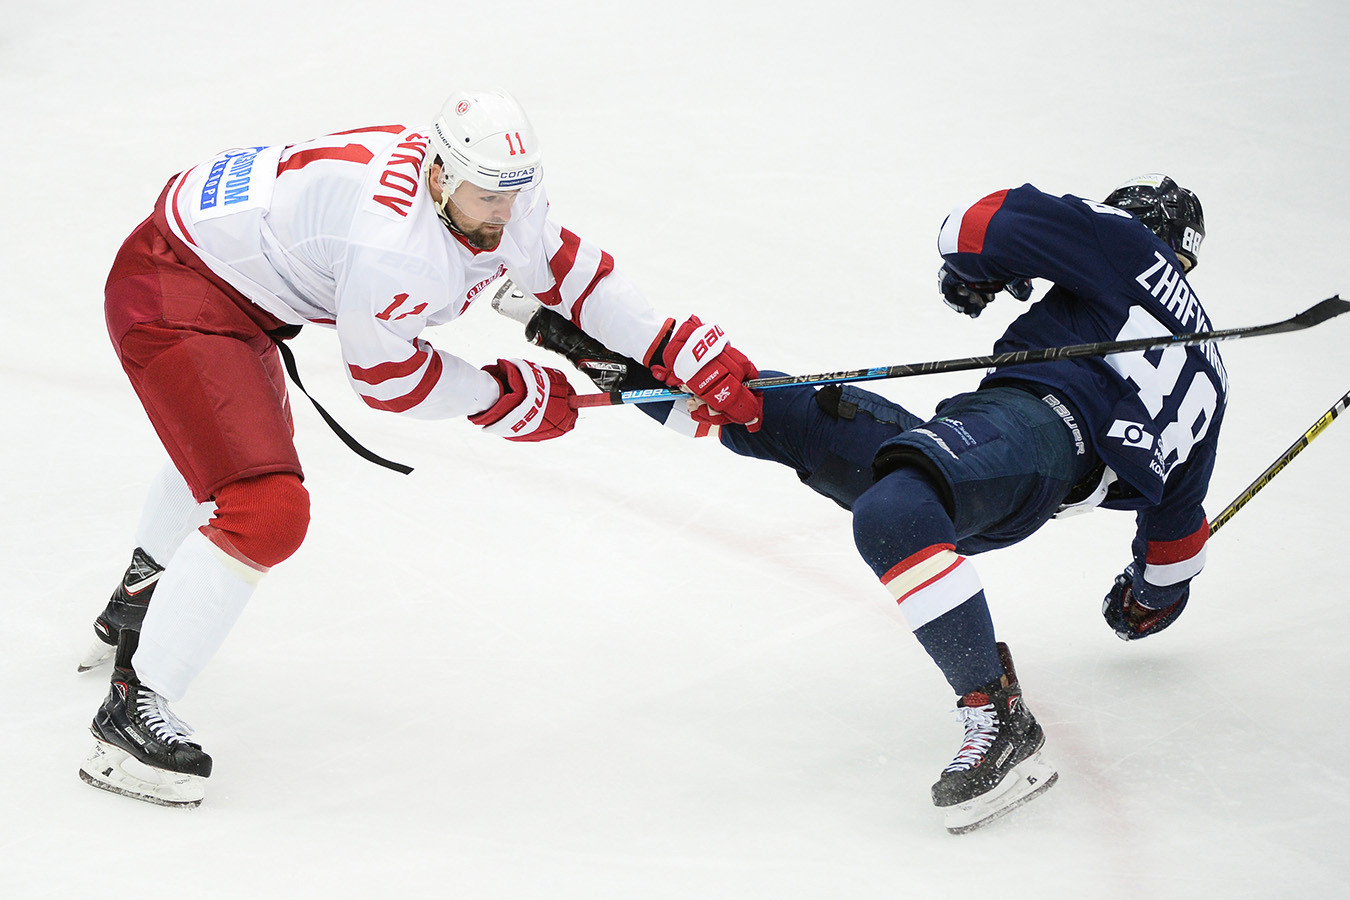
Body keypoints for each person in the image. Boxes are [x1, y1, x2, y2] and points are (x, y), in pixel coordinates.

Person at [79, 88, 763, 807]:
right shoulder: (392, 244)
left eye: (515, 194)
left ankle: (140, 599)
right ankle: (129, 713)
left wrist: (669, 344)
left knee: (233, 448)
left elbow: (570, 273)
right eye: (487, 198)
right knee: (267, 508)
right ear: (439, 175)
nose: (504, 215)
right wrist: (499, 396)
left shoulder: (487, 189)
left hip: (224, 271)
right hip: (173, 287)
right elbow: (386, 377)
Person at [496, 174, 1223, 833]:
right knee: (757, 407)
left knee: (893, 513)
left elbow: (973, 227)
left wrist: (975, 278)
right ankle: (589, 346)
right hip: (1007, 474)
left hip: (1029, 432)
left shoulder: (1124, 245)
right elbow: (1174, 548)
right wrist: (1142, 603)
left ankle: (999, 717)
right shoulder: (1210, 376)